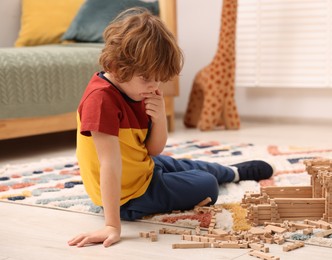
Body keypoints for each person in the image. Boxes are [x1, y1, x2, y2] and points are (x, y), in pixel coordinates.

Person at [68, 7, 273, 248]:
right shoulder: (101, 100)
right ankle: (220, 176)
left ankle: (232, 173)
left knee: (183, 164)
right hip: (129, 196)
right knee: (206, 184)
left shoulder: (136, 88)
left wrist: (160, 119)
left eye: (159, 79)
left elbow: (154, 149)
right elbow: (109, 165)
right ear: (115, 65)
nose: (154, 86)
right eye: (147, 78)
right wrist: (112, 225)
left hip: (142, 166)